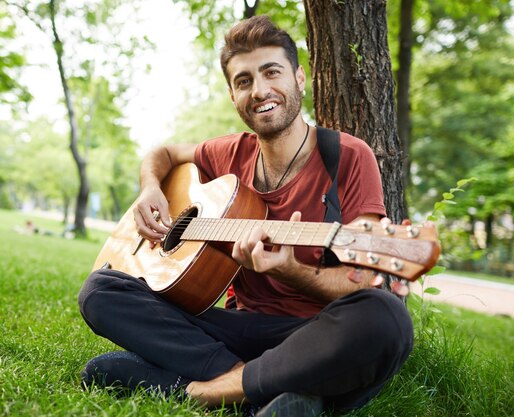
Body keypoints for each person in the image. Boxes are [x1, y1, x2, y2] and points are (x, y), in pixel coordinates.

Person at [78, 15, 413, 417]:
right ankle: (260, 389)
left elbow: (365, 285)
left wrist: (291, 270)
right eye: (244, 81)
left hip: (309, 336)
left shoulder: (348, 156)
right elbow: (162, 155)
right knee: (100, 291)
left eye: (272, 72)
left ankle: (198, 391)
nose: (260, 90)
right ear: (234, 96)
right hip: (235, 329)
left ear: (300, 78)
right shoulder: (229, 153)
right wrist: (150, 188)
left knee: (386, 318)